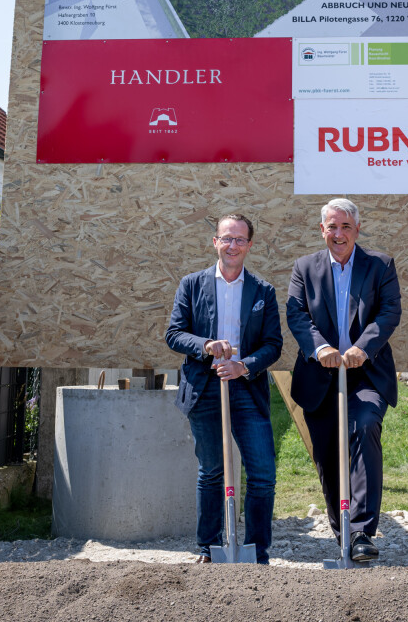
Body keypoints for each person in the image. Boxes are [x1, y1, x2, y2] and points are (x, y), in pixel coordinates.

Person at [286, 198, 402, 562]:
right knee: (327, 454)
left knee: (364, 426)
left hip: (365, 374)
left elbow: (389, 311)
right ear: (323, 230)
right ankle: (344, 531)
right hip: (319, 377)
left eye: (346, 227)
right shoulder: (305, 267)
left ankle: (363, 531)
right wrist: (319, 348)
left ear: (357, 229)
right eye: (332, 227)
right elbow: (296, 313)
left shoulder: (379, 265)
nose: (339, 234)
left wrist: (363, 347)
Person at [166, 213, 282, 564]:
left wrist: (243, 365)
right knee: (212, 471)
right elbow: (174, 334)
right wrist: (205, 345)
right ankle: (209, 548)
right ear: (215, 242)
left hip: (247, 389)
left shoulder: (263, 291)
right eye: (226, 238)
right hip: (205, 388)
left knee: (262, 473)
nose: (233, 245)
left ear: (250, 245)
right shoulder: (192, 284)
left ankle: (257, 552)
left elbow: (273, 345)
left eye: (240, 239)